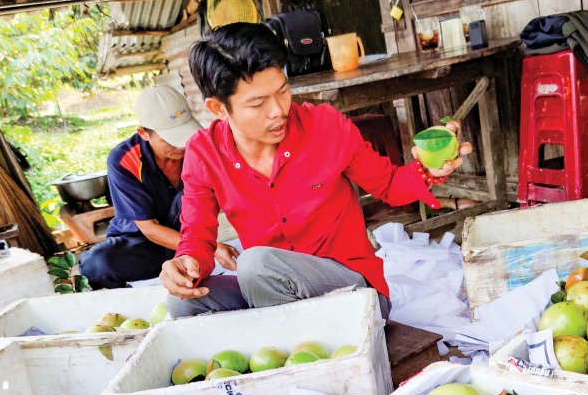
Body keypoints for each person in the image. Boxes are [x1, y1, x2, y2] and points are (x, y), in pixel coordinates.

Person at [160, 23, 471, 319]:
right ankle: (279, 336)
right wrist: (186, 264)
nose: (278, 110)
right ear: (218, 108)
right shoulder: (204, 153)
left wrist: (428, 169)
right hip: (271, 289)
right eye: (257, 104)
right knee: (182, 302)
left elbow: (389, 185)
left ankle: (289, 352)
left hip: (353, 290)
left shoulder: (325, 126)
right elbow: (197, 236)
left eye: (282, 91)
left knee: (256, 265)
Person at [80, 85, 240, 288]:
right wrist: (213, 248)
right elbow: (150, 230)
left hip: (193, 238)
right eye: (171, 140)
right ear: (144, 133)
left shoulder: (199, 146)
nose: (182, 145)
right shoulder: (124, 159)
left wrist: (202, 245)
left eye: (185, 134)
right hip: (145, 244)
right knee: (96, 264)